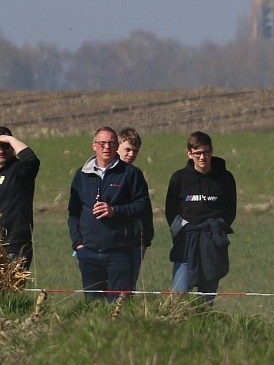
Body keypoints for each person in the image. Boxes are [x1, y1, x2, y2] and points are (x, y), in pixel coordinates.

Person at [66, 126, 151, 300]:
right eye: (102, 143)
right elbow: (73, 211)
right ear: (94, 146)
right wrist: (78, 244)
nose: (107, 147)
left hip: (120, 252)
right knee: (92, 307)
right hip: (88, 253)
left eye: (111, 143)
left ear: (116, 145)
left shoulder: (131, 174)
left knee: (119, 306)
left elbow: (142, 206)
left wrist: (115, 211)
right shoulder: (81, 175)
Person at [165, 131, 237, 304]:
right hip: (186, 242)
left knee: (206, 299)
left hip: (212, 242)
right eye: (197, 153)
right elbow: (170, 211)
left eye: (205, 152)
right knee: (179, 295)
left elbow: (230, 211)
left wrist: (217, 228)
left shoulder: (225, 178)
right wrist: (182, 230)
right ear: (190, 154)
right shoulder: (179, 178)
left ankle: (202, 326)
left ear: (211, 151)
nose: (202, 157)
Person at [0, 126, 41, 271]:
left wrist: (10, 139)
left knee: (10, 290)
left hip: (14, 244)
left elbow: (31, 160)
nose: (1, 150)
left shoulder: (20, 169)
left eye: (5, 146)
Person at [115, 127, 155, 261]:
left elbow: (144, 209)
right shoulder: (104, 174)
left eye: (135, 151)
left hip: (134, 243)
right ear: (117, 146)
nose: (131, 154)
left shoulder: (136, 175)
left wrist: (145, 241)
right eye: (128, 150)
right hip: (109, 243)